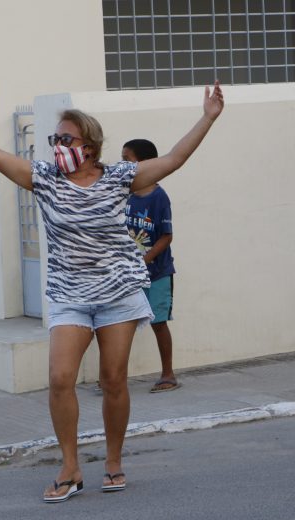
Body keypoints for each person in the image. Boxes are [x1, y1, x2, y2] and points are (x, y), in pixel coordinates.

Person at [0, 80, 224, 501]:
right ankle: (71, 466)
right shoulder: (45, 179)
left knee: (114, 380)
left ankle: (113, 461)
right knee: (59, 378)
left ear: (89, 146)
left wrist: (207, 117)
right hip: (69, 294)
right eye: (55, 138)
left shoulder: (118, 178)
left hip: (118, 294)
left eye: (66, 138)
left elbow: (174, 159)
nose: (57, 144)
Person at [122, 139, 179, 393]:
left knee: (158, 322)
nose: (122, 164)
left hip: (156, 273)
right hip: (129, 275)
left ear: (144, 164)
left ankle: (168, 374)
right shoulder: (126, 195)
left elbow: (166, 236)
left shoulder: (158, 197)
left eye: (127, 159)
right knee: (121, 323)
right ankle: (114, 375)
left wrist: (145, 260)